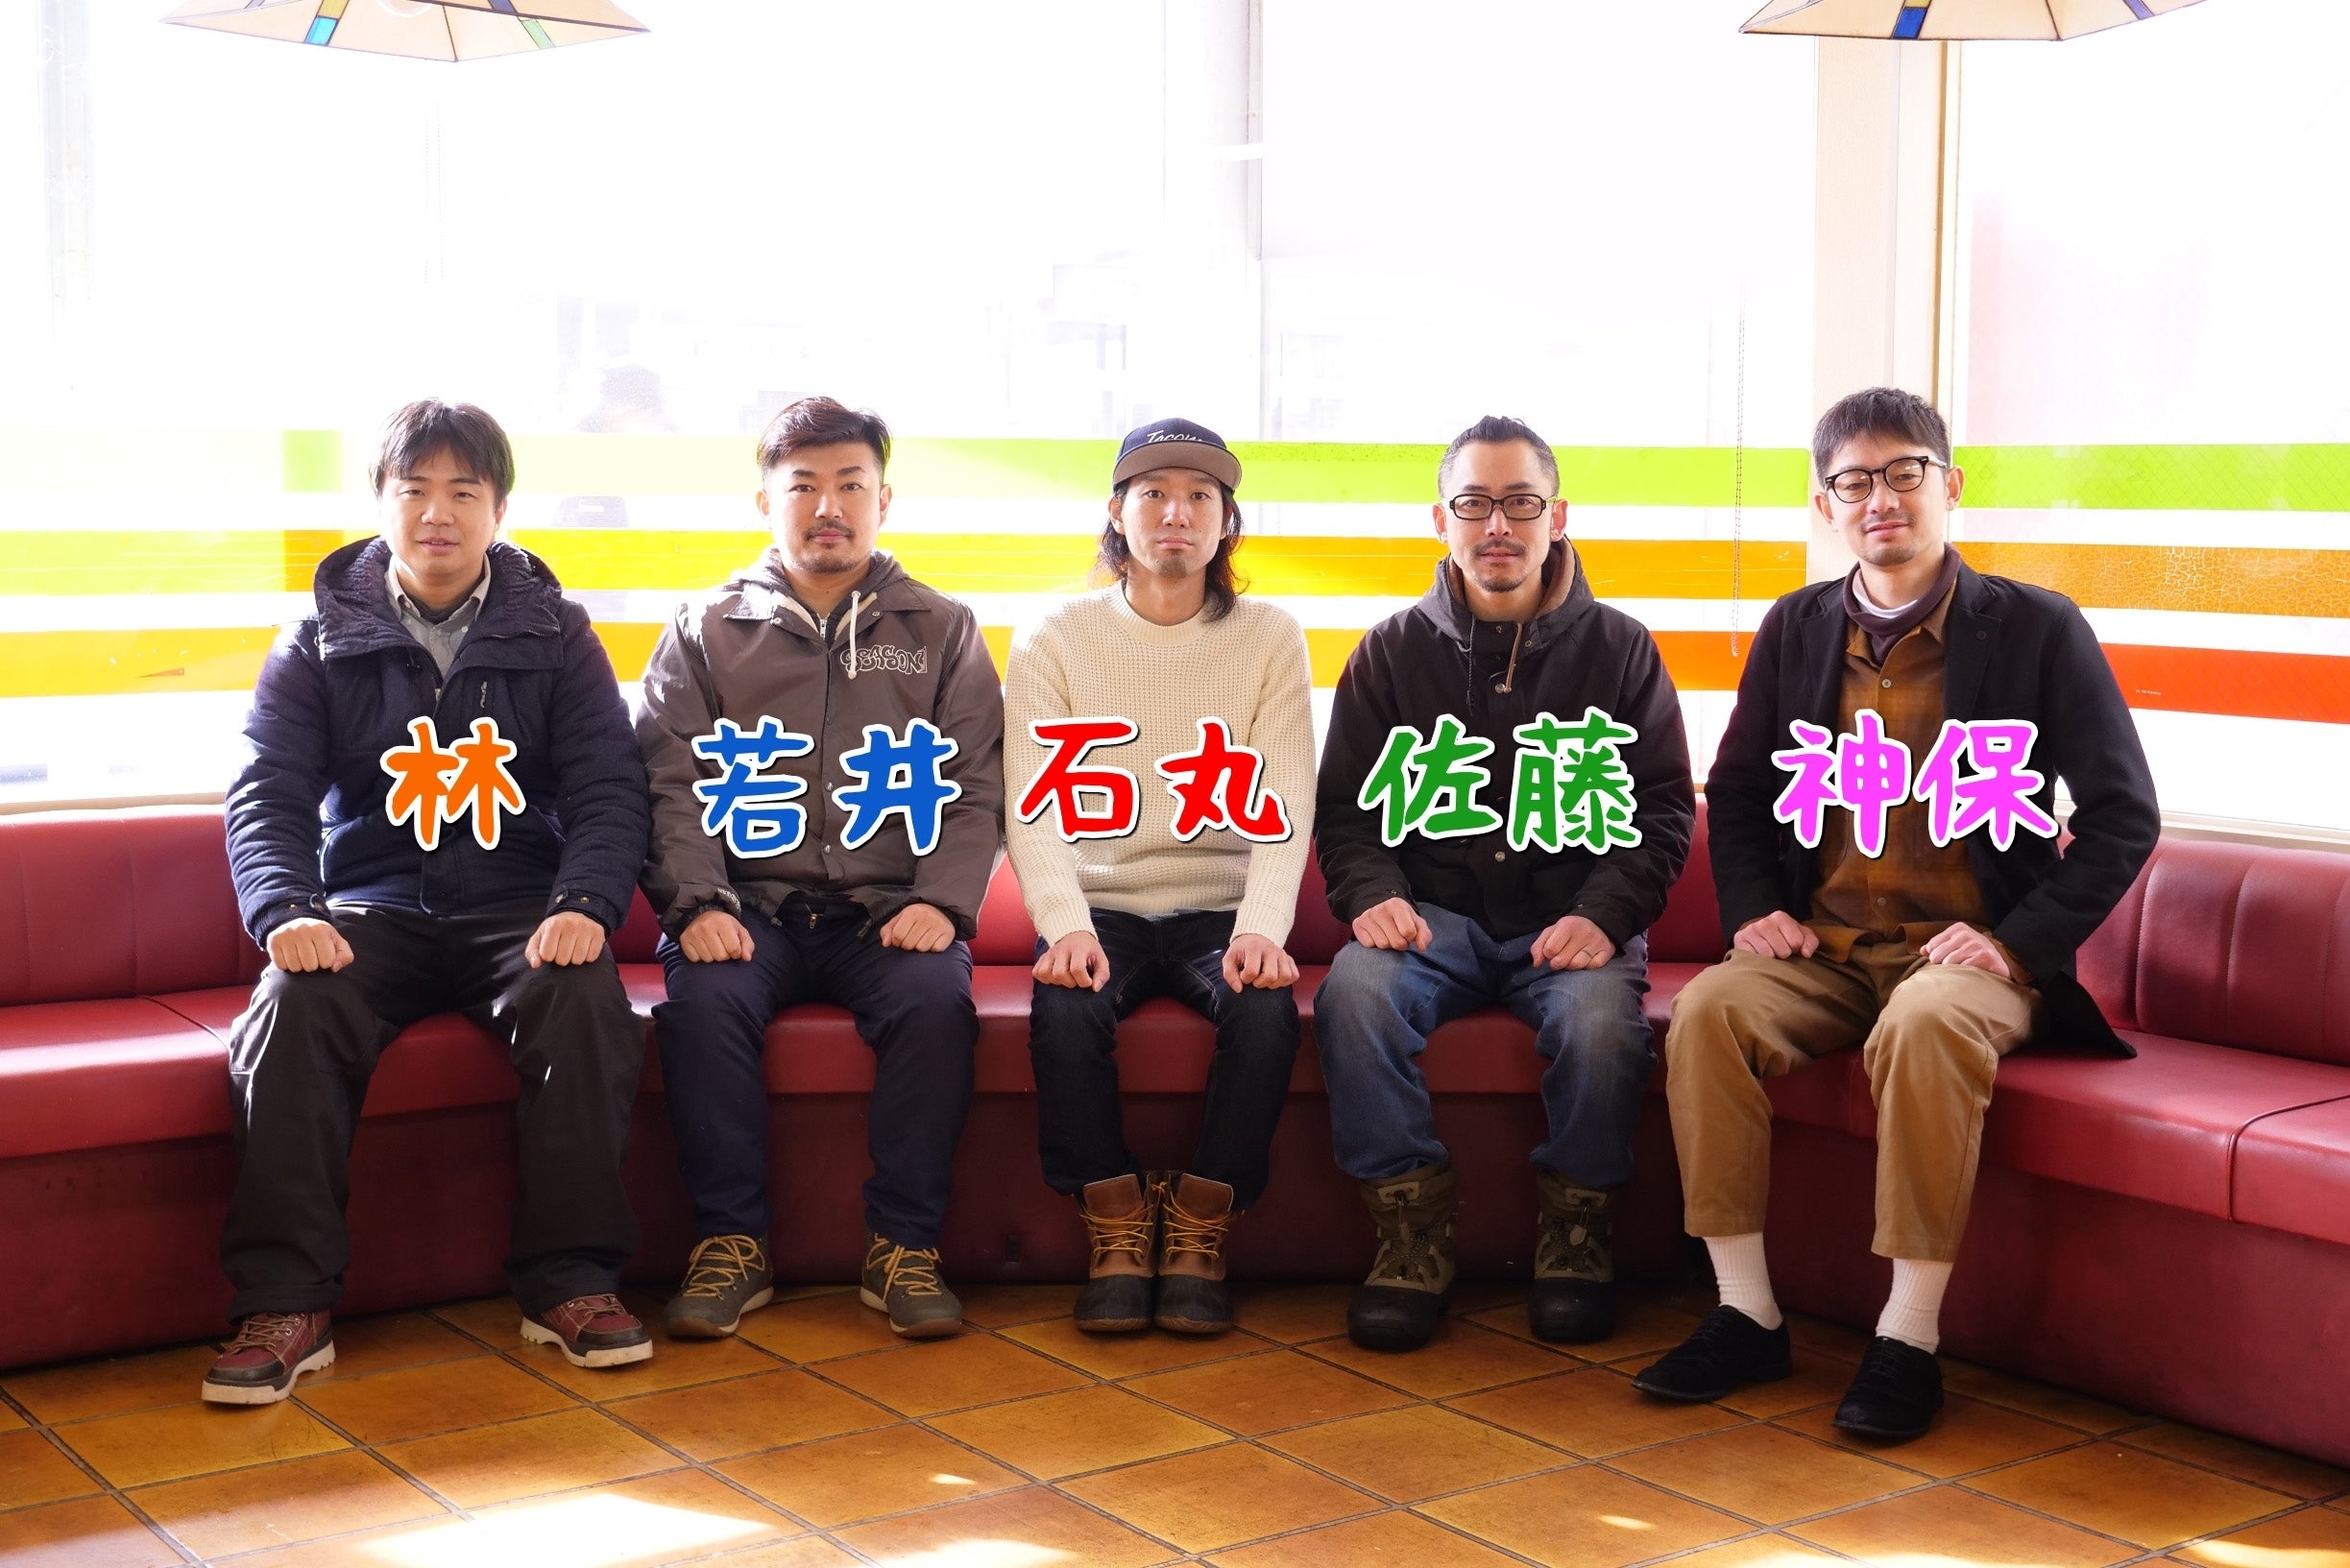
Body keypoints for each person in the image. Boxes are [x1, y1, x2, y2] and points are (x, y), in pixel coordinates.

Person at [1635, 386, 2159, 1441]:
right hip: (1825, 948)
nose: (1879, 498)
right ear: (1825, 504)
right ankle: (1745, 1312)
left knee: (1921, 1023)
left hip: (1968, 960)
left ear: (1948, 484)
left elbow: (2121, 816)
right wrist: (1752, 910)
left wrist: (2013, 943)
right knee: (1706, 1013)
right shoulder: (1793, 627)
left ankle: (1906, 1337)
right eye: (1853, 481)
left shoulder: (2036, 627)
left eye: (1903, 472)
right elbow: (1737, 791)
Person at [208, 400, 652, 1402]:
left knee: (585, 1000)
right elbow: (268, 789)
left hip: (519, 904)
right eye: (414, 489)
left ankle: (570, 1282)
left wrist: (586, 900)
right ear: (381, 502)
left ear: (499, 509)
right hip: (372, 907)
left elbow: (608, 786)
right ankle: (285, 1303)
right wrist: (288, 908)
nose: (437, 513)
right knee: (290, 1009)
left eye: (463, 491)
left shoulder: (557, 633)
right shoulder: (317, 637)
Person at [1313, 415, 1695, 1352]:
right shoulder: (1387, 651)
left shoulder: (1623, 649)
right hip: (1429, 925)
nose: (1496, 525)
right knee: (1353, 995)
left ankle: (1576, 1238)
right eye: (1473, 503)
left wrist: (1603, 914)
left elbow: (1659, 813)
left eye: (1520, 503)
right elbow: (1347, 814)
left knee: (1601, 1025)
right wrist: (1371, 893)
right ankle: (1410, 1233)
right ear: (1438, 519)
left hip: (1570, 923)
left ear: (1556, 516)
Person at [638, 397, 1004, 1340]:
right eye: (803, 485)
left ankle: (904, 1247)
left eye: (850, 484)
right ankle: (730, 1243)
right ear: (766, 500)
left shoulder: (940, 628)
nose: (828, 506)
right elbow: (669, 782)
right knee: (702, 1005)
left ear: (885, 499)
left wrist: (943, 903)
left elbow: (975, 783)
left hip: (888, 911)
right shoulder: (704, 628)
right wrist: (696, 904)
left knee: (934, 1004)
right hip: (746, 907)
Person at [1004, 419, 1315, 1335]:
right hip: (1100, 899)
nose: (1175, 513)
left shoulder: (1270, 636)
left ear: (1225, 521)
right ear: (1117, 513)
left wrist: (1261, 927)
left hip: (1221, 903)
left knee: (1265, 1010)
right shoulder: (1053, 634)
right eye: (1153, 494)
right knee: (1064, 1009)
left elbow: (1288, 793)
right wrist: (1064, 922)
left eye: (1198, 497)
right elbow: (1029, 802)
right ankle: (1112, 1221)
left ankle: (1199, 1226)